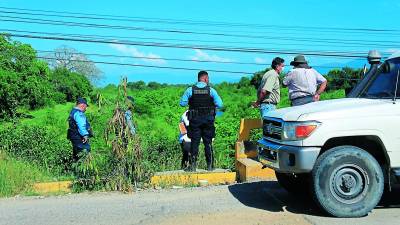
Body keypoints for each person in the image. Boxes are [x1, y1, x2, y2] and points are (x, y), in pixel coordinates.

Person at [180, 70, 223, 172]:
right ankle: (210, 166)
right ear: (205, 78)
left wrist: (191, 102)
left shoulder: (190, 90)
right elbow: (220, 104)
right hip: (208, 120)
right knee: (208, 143)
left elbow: (182, 103)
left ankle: (193, 166)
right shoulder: (211, 90)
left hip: (195, 120)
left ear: (198, 78)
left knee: (195, 143)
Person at [67, 97, 93, 162]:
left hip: (74, 138)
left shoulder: (72, 112)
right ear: (83, 105)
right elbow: (81, 125)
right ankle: (85, 170)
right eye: (86, 106)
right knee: (84, 155)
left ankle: (76, 169)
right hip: (80, 139)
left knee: (77, 155)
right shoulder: (78, 113)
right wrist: (85, 135)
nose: (86, 109)